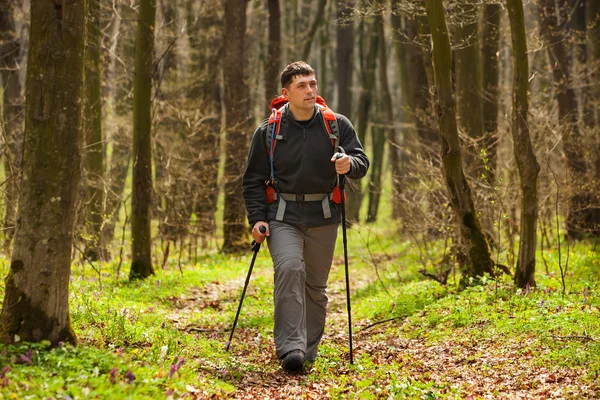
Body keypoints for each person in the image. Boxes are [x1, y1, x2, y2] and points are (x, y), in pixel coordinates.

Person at [242, 61, 369, 373]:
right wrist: (258, 218)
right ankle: (291, 349)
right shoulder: (269, 131)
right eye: (302, 85)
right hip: (282, 216)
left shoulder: (336, 125)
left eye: (313, 84)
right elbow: (252, 179)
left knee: (315, 285)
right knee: (289, 268)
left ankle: (307, 351)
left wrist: (348, 164)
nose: (311, 90)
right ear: (286, 93)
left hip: (324, 215)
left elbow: (362, 161)